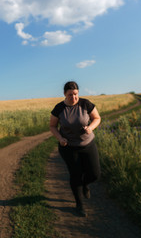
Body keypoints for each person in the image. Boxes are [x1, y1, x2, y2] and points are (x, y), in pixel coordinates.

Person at [49, 81, 101, 217]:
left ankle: (85, 185)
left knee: (95, 174)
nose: (74, 97)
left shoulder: (85, 104)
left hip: (88, 145)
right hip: (69, 148)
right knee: (75, 174)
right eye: (70, 95)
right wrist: (60, 138)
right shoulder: (59, 108)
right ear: (65, 94)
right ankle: (79, 205)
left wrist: (90, 127)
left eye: (76, 94)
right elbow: (52, 126)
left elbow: (97, 118)